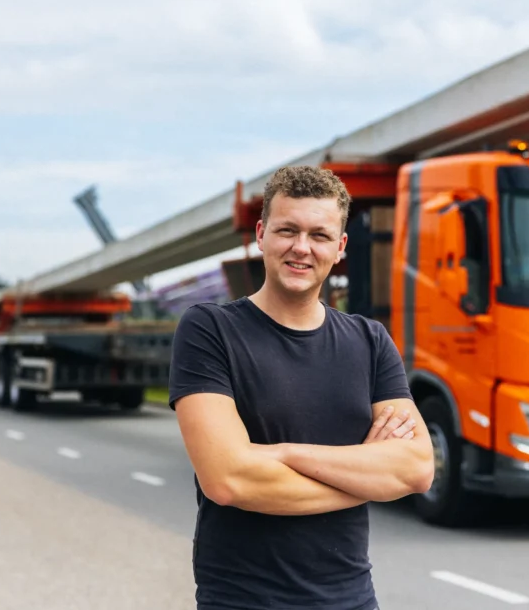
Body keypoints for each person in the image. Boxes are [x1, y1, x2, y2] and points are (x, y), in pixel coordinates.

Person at [169, 164, 435, 610]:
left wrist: (282, 454)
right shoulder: (210, 330)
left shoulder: (369, 341)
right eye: (287, 230)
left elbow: (416, 470)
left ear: (340, 247)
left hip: (352, 599)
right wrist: (368, 477)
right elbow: (229, 480)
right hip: (243, 601)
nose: (301, 248)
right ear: (261, 233)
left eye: (319, 235)